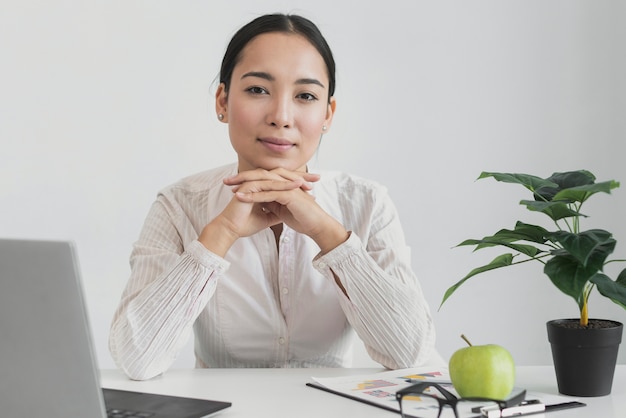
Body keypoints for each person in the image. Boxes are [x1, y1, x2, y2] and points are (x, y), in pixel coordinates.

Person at [109, 12, 437, 381]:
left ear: (328, 113)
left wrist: (329, 235)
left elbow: (409, 352)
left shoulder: (368, 204)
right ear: (222, 101)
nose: (281, 116)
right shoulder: (178, 205)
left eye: (306, 96)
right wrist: (219, 236)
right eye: (257, 90)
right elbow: (136, 359)